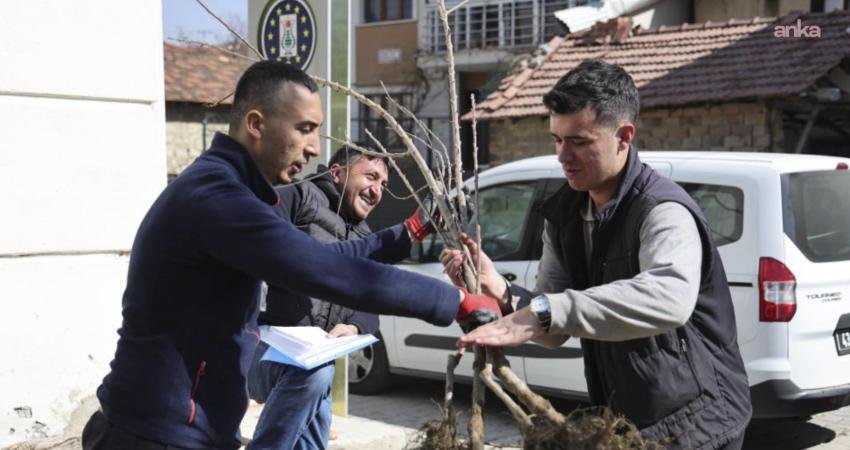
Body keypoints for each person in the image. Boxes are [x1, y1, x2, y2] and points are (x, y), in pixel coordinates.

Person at [81, 61, 501, 450]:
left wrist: (409, 232)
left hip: (187, 429)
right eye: (304, 128)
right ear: (256, 124)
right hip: (155, 435)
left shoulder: (239, 192)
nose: (316, 148)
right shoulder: (217, 199)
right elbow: (322, 267)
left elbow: (342, 255)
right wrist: (455, 301)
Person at [442, 60, 752, 449]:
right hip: (623, 421)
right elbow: (554, 330)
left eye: (580, 141)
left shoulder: (663, 210)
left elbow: (669, 298)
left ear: (624, 136)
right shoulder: (563, 215)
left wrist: (547, 312)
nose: (562, 155)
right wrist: (501, 291)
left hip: (699, 422)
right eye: (556, 139)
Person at [247, 144, 389, 450]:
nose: (377, 190)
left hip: (311, 354)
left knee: (316, 407)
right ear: (337, 173)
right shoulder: (297, 197)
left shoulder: (365, 236)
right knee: (316, 374)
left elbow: (371, 303)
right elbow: (250, 242)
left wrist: (354, 327)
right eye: (370, 177)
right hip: (259, 348)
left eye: (383, 184)